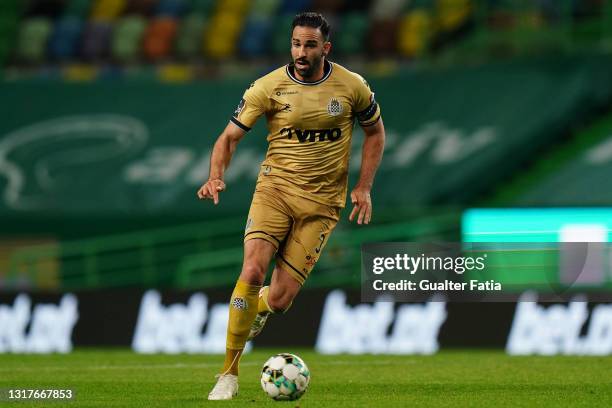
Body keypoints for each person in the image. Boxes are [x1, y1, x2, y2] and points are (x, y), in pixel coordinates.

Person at [197, 12, 385, 401]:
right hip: (275, 192)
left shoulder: (352, 87)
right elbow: (228, 138)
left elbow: (375, 133)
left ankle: (257, 306)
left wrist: (364, 187)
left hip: (322, 205)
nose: (301, 52)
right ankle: (228, 373)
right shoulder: (268, 87)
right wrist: (216, 174)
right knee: (251, 268)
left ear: (325, 48)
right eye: (296, 44)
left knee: (280, 300)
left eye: (310, 45)